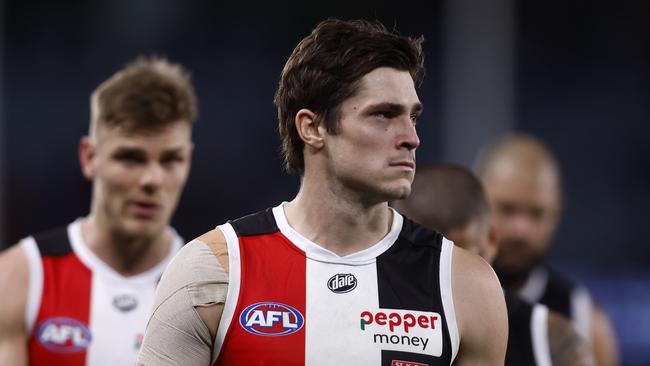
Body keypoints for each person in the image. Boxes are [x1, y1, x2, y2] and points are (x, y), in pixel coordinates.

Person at [137, 19, 507, 366]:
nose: (411, 138)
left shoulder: (465, 286)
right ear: (312, 128)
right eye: (384, 115)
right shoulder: (215, 270)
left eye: (413, 116)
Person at [0, 57, 198, 366]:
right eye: (131, 158)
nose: (152, 180)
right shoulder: (18, 279)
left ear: (188, 160)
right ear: (90, 157)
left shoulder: (209, 287)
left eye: (170, 159)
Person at [394, 163, 596, 365]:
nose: (448, 276)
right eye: (430, 263)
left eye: (464, 260)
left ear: (491, 240)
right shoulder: (368, 319)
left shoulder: (551, 340)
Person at [474, 133, 619, 366]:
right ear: (477, 200)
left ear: (558, 210)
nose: (520, 230)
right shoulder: (439, 299)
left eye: (537, 213)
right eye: (506, 208)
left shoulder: (586, 323)